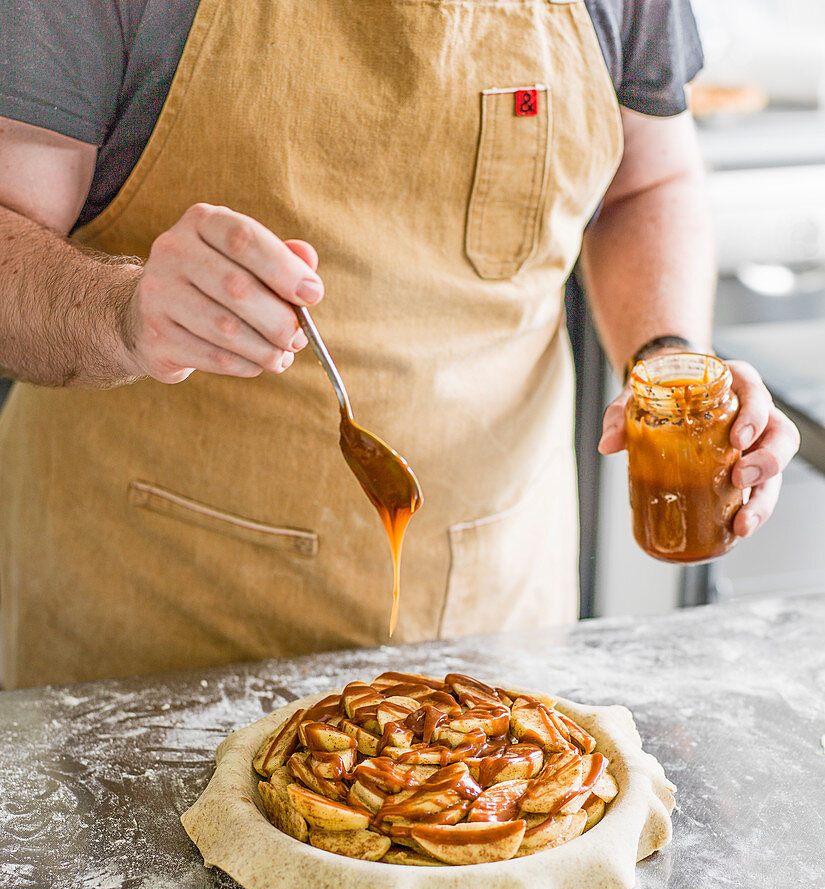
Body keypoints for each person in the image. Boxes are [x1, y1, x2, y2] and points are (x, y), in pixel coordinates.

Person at [0, 1, 800, 689]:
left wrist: (665, 360)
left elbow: (645, 183)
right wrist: (125, 310)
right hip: (156, 644)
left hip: (493, 631)